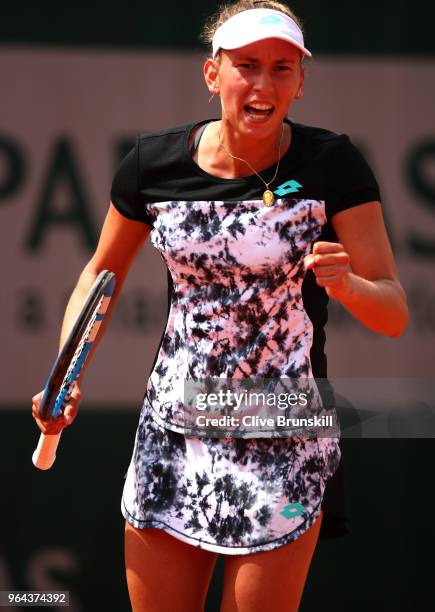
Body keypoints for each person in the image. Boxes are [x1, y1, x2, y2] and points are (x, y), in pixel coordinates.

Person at [32, 1, 409, 610]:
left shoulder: (332, 163)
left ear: (301, 82)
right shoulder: (151, 165)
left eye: (282, 69)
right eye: (248, 66)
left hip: (284, 432)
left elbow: (392, 311)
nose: (264, 84)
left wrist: (346, 285)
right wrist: (65, 371)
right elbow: (101, 273)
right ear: (214, 75)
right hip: (175, 426)